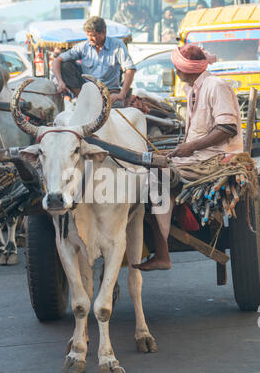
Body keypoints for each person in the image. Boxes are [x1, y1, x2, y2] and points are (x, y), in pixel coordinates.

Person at [133, 44, 243, 271]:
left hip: (214, 159)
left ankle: (162, 254)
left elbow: (227, 128)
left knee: (156, 179)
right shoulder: (193, 89)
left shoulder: (216, 86)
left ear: (185, 68)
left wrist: (189, 148)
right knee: (142, 170)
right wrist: (179, 150)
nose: (175, 70)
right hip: (195, 156)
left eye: (176, 66)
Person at [52, 16, 136, 108]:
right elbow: (57, 61)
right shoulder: (83, 47)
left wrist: (122, 94)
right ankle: (80, 98)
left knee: (115, 114)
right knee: (65, 65)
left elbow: (130, 69)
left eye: (93, 35)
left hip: (110, 93)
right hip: (88, 93)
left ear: (103, 33)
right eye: (88, 35)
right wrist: (60, 82)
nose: (90, 39)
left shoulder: (117, 45)